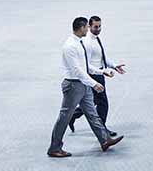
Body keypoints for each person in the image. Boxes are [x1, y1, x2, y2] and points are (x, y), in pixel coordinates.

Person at [47, 17, 124, 158]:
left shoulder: (80, 43)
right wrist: (94, 83)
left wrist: (102, 71)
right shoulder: (70, 46)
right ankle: (54, 148)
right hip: (73, 85)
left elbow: (86, 66)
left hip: (83, 84)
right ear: (81, 28)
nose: (88, 30)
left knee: (92, 114)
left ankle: (105, 140)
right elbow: (77, 70)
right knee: (64, 117)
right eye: (86, 27)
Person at [69, 15, 126, 136]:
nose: (98, 29)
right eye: (95, 26)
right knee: (103, 103)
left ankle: (73, 115)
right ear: (89, 26)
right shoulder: (88, 43)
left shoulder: (96, 38)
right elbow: (86, 65)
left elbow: (101, 58)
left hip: (100, 73)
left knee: (93, 101)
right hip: (94, 75)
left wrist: (114, 66)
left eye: (100, 26)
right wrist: (101, 72)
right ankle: (102, 130)